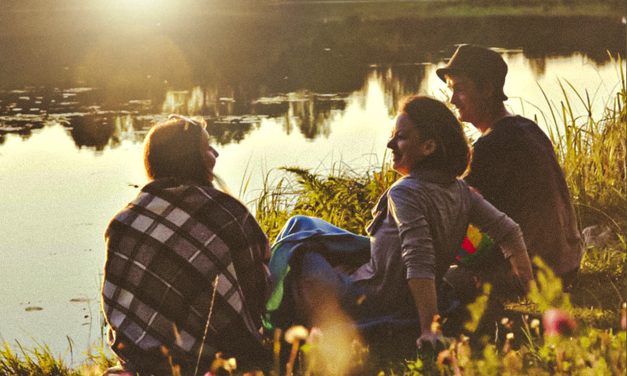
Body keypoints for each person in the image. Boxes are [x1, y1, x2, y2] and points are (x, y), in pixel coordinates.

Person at [265, 96, 534, 351]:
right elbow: (509, 231)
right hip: (397, 291)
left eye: (401, 138)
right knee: (303, 227)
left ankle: (269, 317)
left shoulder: (405, 192)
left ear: (428, 147)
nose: (390, 145)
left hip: (369, 299)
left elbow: (419, 256)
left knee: (299, 250)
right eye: (392, 136)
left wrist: (429, 329)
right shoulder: (461, 191)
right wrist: (526, 283)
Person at [101, 115, 271, 375]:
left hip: (140, 360)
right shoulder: (228, 214)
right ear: (191, 160)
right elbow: (257, 290)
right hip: (217, 359)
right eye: (206, 149)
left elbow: (115, 303)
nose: (215, 154)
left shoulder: (122, 222)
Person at [436, 44, 583, 288]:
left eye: (459, 89)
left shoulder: (494, 144)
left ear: (487, 89)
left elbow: (453, 208)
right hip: (567, 263)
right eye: (451, 90)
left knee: (427, 280)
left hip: (534, 271)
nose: (452, 99)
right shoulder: (527, 128)